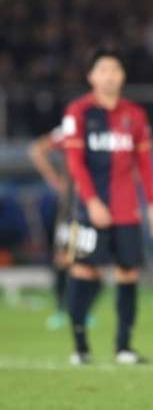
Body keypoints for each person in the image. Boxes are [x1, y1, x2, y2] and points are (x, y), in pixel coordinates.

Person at [61, 48, 153, 365]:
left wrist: (152, 207)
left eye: (115, 69)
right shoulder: (77, 112)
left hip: (126, 211)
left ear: (122, 76)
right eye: (103, 69)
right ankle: (80, 348)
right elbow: (75, 164)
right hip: (88, 210)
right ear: (91, 76)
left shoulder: (134, 115)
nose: (109, 75)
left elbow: (145, 166)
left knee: (128, 273)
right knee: (83, 270)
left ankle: (123, 347)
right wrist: (92, 202)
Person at [28, 127, 74, 330]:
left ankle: (80, 309)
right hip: (71, 203)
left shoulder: (107, 126)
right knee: (63, 256)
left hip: (98, 201)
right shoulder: (71, 127)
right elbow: (36, 149)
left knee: (89, 259)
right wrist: (54, 179)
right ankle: (61, 310)